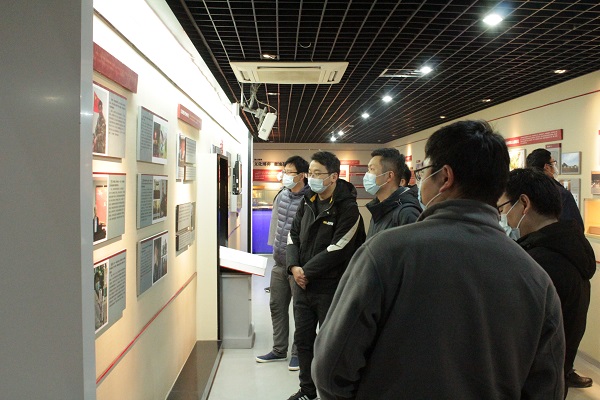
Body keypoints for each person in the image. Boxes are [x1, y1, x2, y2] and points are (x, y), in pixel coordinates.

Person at [312, 120, 565, 399]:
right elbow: (548, 388)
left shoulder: (385, 253)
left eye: (424, 172)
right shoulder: (535, 278)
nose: (420, 182)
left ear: (445, 177)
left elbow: (331, 370)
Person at [499, 168, 596, 393]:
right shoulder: (570, 250)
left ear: (524, 203)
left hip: (531, 385)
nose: (503, 218)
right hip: (553, 381)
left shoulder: (539, 264)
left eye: (502, 208)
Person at [286, 151, 366, 400]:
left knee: (332, 344)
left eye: (317, 173)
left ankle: (333, 393)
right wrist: (294, 267)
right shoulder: (307, 200)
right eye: (310, 173)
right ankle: (307, 390)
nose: (312, 178)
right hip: (302, 287)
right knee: (303, 340)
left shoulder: (348, 208)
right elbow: (293, 235)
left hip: (331, 288)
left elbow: (339, 248)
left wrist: (306, 271)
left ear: (333, 177)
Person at [256, 156, 309, 371]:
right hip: (279, 262)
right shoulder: (282, 195)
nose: (285, 175)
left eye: (290, 172)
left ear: (302, 175)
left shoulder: (310, 200)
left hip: (298, 265)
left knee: (300, 311)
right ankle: (279, 350)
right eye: (284, 171)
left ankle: (298, 353)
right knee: (276, 306)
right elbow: (275, 225)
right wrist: (274, 251)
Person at [363, 148, 421, 238]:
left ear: (389, 176)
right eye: (368, 169)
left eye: (372, 169)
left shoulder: (407, 213)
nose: (367, 174)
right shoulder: (379, 208)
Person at [526, 148, 584, 231]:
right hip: (557, 237)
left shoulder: (524, 191)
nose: (554, 167)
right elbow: (576, 226)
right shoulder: (561, 194)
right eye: (553, 163)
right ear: (547, 167)